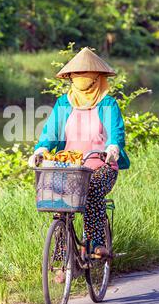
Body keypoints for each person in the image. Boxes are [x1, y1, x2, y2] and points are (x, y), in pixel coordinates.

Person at [29, 47, 130, 281]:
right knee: (59, 203)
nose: (82, 81)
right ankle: (65, 261)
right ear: (71, 78)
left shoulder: (108, 104)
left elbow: (116, 133)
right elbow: (51, 133)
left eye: (88, 76)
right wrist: (41, 150)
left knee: (93, 190)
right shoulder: (64, 104)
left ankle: (96, 243)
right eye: (78, 75)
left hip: (101, 166)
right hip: (71, 167)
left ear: (99, 78)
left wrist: (113, 149)